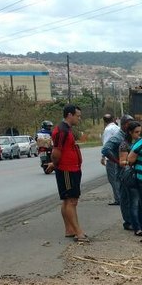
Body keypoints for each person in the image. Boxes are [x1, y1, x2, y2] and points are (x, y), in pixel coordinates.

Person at [44, 104, 88, 243]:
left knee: (67, 200)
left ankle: (69, 229)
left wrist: (54, 164)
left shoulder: (66, 130)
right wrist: (55, 164)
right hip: (67, 170)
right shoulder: (62, 131)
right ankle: (78, 232)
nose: (79, 119)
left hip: (72, 168)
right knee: (71, 200)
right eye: (77, 116)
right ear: (70, 115)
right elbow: (56, 152)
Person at [116, 119, 142, 236]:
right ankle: (136, 227)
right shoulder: (125, 144)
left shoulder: (141, 143)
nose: (139, 134)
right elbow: (122, 162)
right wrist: (132, 161)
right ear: (130, 132)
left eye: (140, 132)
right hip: (131, 176)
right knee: (133, 202)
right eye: (136, 132)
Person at [100, 113, 121, 205]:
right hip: (119, 156)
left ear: (104, 121)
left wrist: (103, 157)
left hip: (111, 158)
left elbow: (106, 146)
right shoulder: (117, 128)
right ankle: (121, 197)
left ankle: (118, 199)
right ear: (113, 119)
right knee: (118, 178)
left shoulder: (108, 130)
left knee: (113, 179)